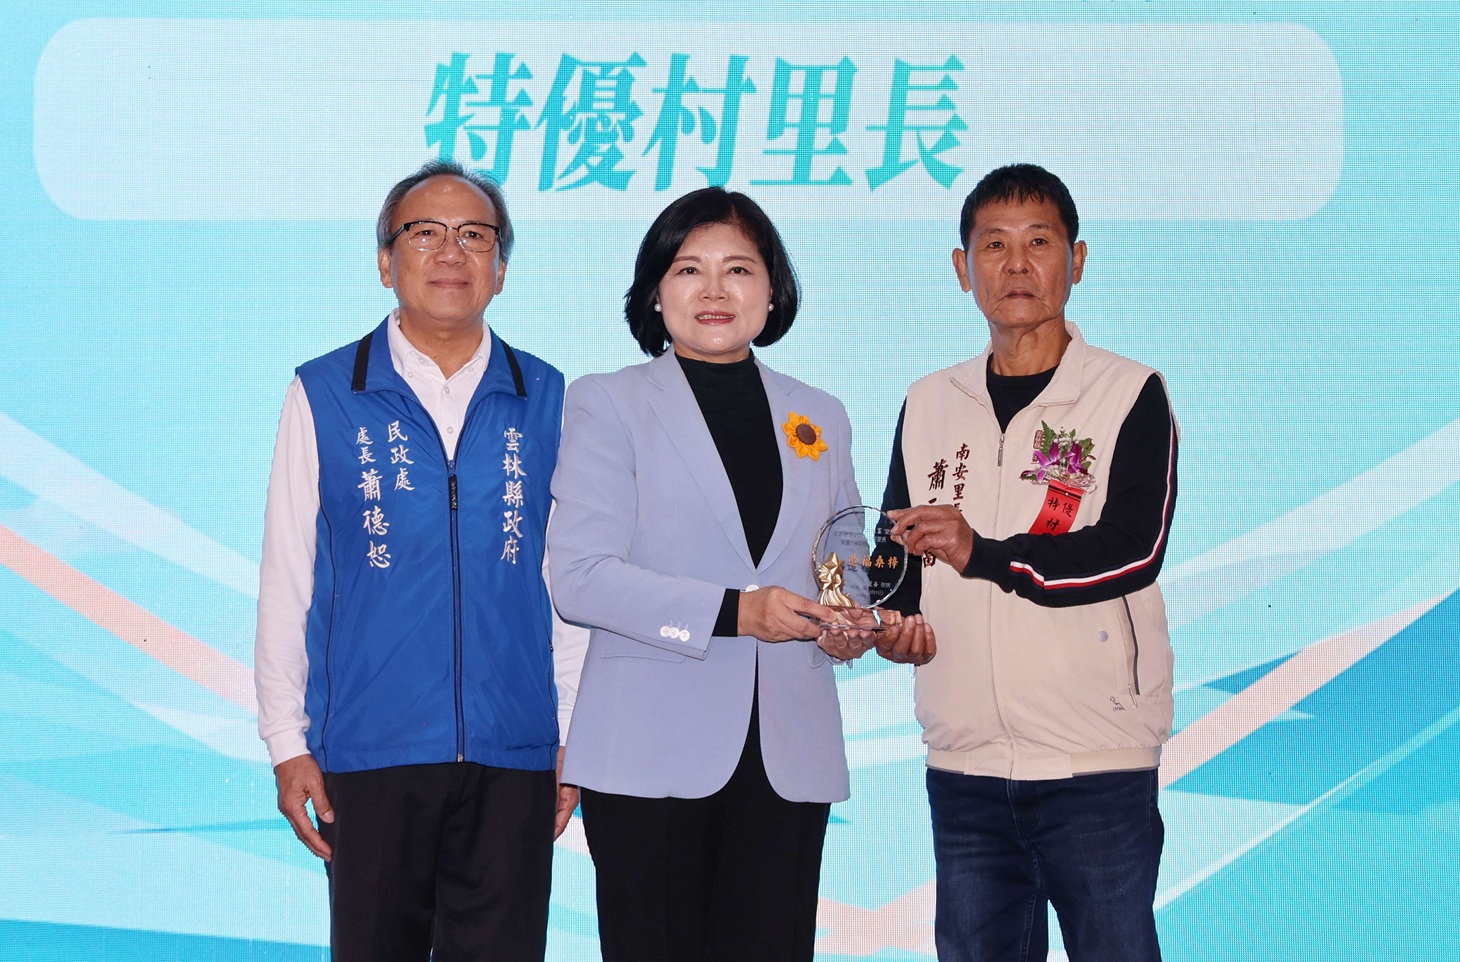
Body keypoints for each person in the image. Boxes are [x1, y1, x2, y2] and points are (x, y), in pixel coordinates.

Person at [253, 159, 582, 962]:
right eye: (424, 232)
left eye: (475, 236)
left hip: (514, 752)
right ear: (385, 261)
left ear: (501, 269)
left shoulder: (548, 397)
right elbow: (289, 577)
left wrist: (574, 732)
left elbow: (565, 584)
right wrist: (286, 740)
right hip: (370, 750)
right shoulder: (325, 393)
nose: (450, 252)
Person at [547, 187, 881, 962]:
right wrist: (738, 612)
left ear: (773, 290)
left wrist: (851, 621)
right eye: (688, 269)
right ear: (655, 292)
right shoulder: (608, 404)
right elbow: (582, 578)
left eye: (739, 269)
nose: (715, 289)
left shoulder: (820, 414)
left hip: (787, 752)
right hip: (648, 752)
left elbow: (845, 556)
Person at [882, 163, 1178, 962]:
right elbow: (896, 553)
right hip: (965, 764)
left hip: (1095, 763)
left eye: (1039, 242)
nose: (1016, 265)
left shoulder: (1128, 392)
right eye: (994, 245)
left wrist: (984, 554)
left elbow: (1133, 549)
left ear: (1076, 260)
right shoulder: (929, 400)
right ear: (962, 267)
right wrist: (890, 624)